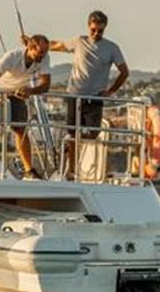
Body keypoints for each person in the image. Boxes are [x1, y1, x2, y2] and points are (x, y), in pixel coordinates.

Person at [49, 10, 129, 178]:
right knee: (72, 133)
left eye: (100, 30)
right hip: (74, 94)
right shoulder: (79, 41)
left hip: (95, 96)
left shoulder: (111, 48)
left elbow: (124, 72)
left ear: (105, 28)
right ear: (88, 26)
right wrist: (33, 43)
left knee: (93, 132)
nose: (96, 33)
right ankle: (71, 171)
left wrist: (111, 91)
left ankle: (70, 146)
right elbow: (57, 45)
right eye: (93, 29)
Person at [0, 34, 51, 179]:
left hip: (17, 92)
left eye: (45, 52)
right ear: (30, 48)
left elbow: (45, 84)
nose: (43, 55)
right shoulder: (12, 57)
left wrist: (31, 91)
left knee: (21, 129)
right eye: (40, 52)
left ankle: (29, 169)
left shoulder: (44, 58)